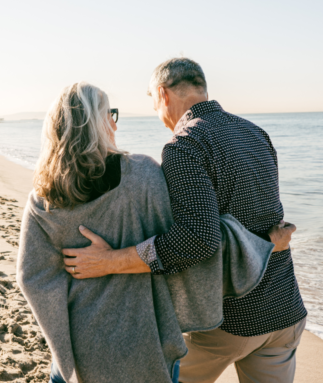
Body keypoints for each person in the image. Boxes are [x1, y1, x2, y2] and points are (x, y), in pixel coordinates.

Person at [17, 82, 287, 383]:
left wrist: (61, 341)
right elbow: (193, 241)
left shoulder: (42, 198)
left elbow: (33, 277)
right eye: (111, 114)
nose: (114, 123)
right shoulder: (142, 175)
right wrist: (261, 243)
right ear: (100, 123)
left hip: (78, 342)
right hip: (144, 336)